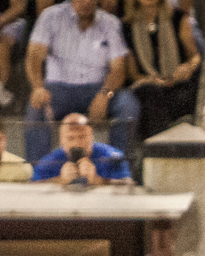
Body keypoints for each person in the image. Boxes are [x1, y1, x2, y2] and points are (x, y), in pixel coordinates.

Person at [24, 0, 139, 166]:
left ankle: (117, 168)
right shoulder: (51, 16)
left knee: (128, 105)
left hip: (97, 89)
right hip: (57, 89)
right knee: (36, 105)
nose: (85, 2)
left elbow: (118, 69)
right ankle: (39, 171)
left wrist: (105, 95)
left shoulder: (110, 22)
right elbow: (34, 57)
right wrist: (37, 87)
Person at [122, 0, 200, 139]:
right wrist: (153, 80)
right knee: (151, 93)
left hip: (177, 82)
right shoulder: (126, 25)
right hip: (147, 85)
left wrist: (187, 67)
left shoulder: (178, 17)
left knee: (192, 87)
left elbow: (194, 56)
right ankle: (160, 146)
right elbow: (133, 74)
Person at [31, 112, 133, 185]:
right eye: (70, 138)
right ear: (61, 141)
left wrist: (98, 180)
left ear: (91, 137)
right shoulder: (49, 162)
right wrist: (59, 180)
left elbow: (128, 184)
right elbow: (30, 189)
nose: (77, 143)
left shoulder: (112, 157)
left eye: (82, 137)